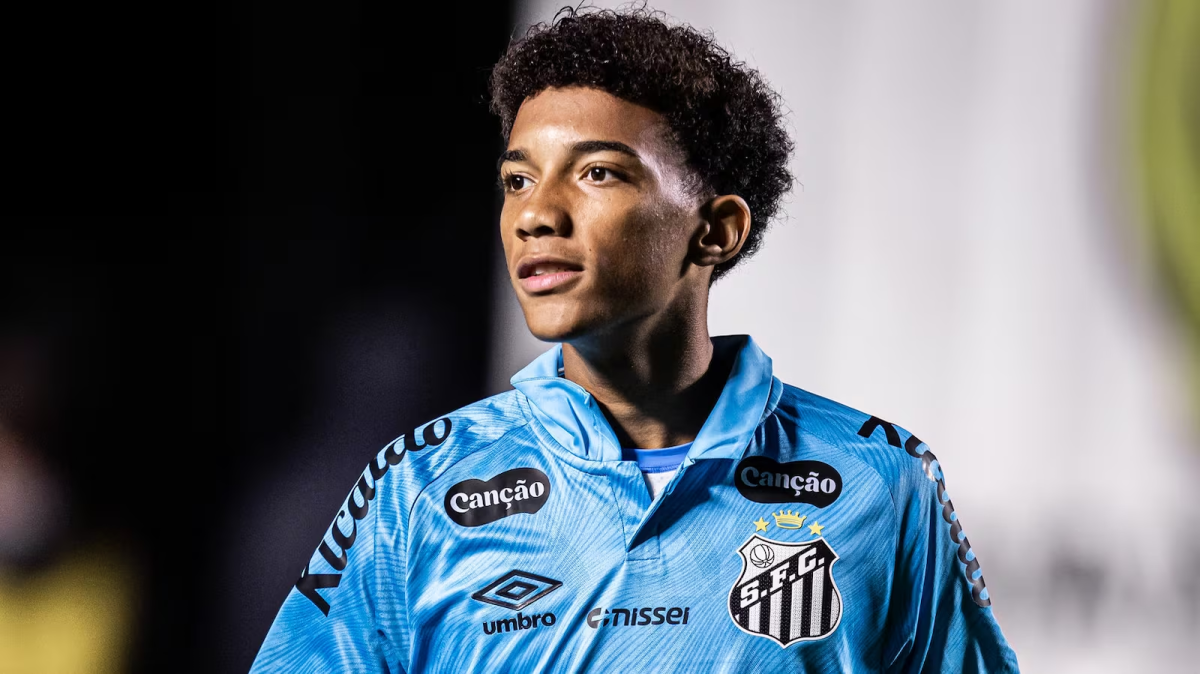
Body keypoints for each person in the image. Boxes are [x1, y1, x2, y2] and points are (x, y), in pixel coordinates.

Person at [251, 7, 1020, 672]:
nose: (535, 215)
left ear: (716, 231)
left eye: (597, 174)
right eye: (518, 180)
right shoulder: (419, 483)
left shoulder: (881, 481)